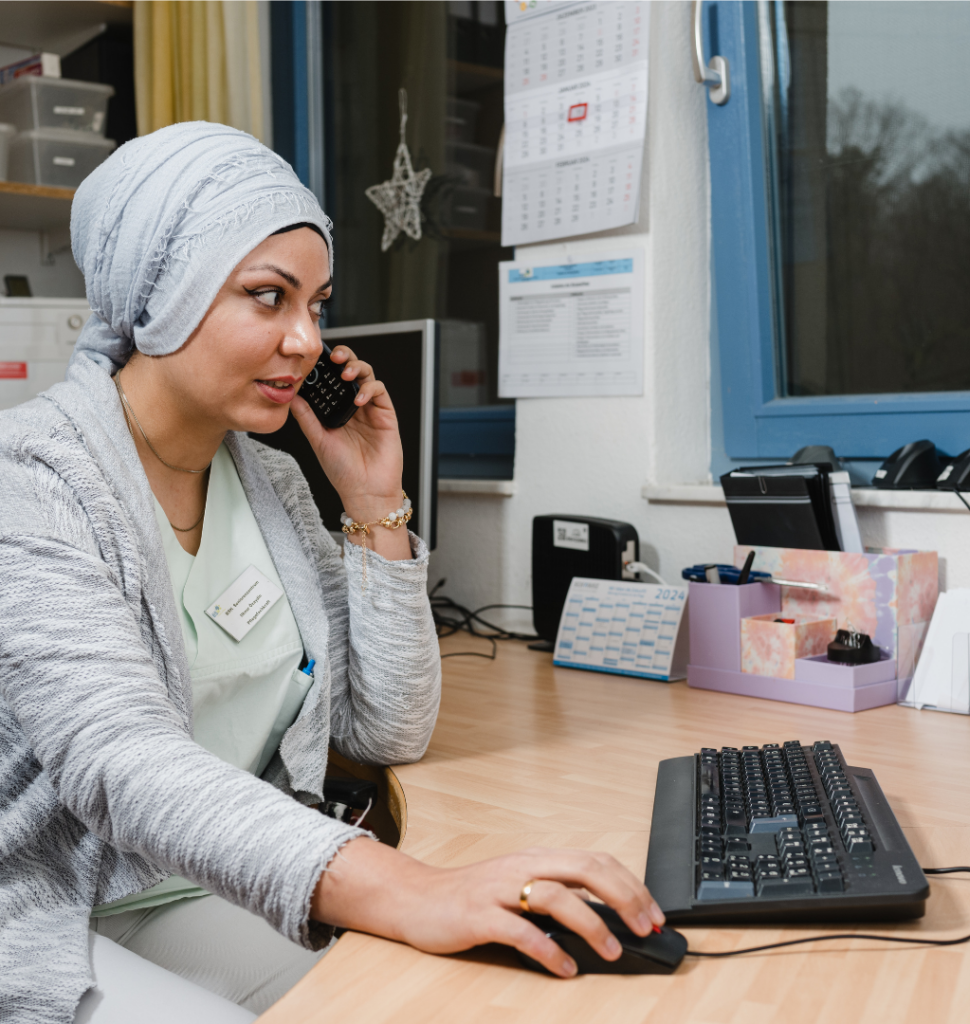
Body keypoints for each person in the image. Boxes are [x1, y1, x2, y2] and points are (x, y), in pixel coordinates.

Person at [0, 123, 664, 1024]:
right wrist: (415, 889)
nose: (308, 340)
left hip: (222, 883)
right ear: (158, 296)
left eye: (316, 304)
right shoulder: (30, 480)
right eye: (268, 299)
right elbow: (125, 762)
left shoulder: (266, 477)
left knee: (463, 1001)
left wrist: (373, 502)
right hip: (63, 909)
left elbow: (386, 728)